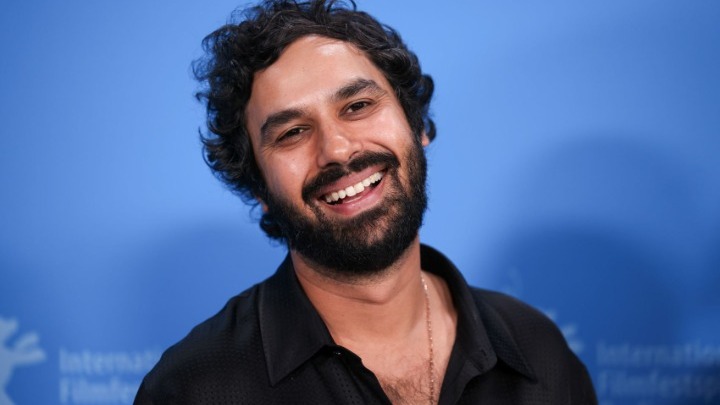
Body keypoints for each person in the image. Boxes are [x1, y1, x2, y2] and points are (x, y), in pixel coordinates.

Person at [134, 1, 597, 404]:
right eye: (292, 132)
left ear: (418, 126)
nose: (336, 150)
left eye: (357, 106)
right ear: (259, 188)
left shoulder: (538, 351)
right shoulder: (194, 389)